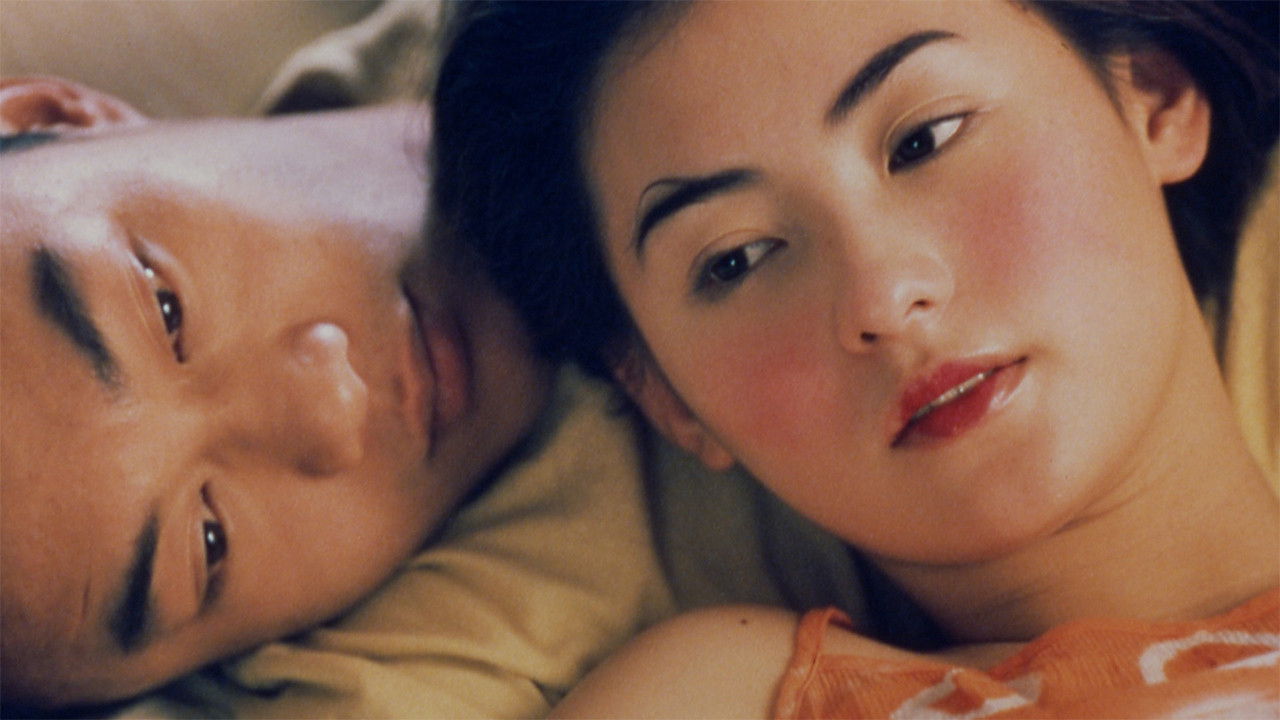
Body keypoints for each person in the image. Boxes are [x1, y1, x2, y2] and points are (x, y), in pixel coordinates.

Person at [432, 1, 1280, 716]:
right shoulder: (725, 698)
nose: (880, 296)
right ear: (664, 394)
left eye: (925, 140)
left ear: (1154, 96)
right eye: (737, 259)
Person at [0, 75, 875, 717]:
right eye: (208, 539)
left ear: (54, 118)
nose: (332, 404)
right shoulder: (416, 671)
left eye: (164, 310)